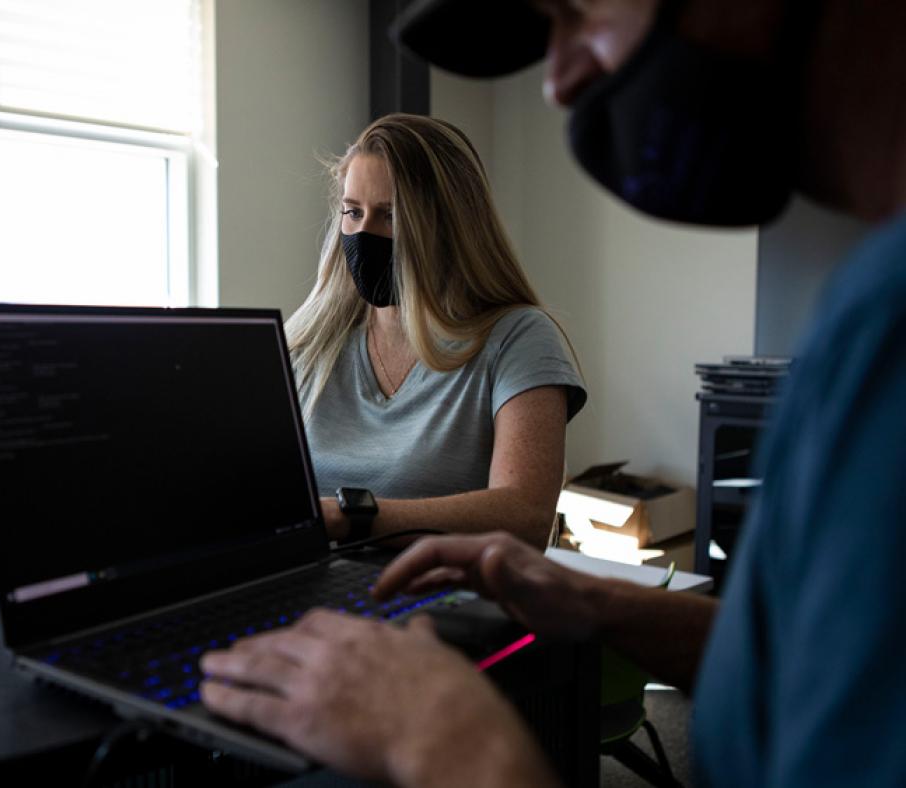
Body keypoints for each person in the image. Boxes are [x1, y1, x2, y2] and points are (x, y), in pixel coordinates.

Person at [198, 1, 906, 786]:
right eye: (353, 213)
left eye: (577, 12)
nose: (559, 84)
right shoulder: (865, 306)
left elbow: (524, 507)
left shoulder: (884, 325)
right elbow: (804, 662)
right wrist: (606, 606)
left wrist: (444, 737)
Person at [284, 113, 585, 547]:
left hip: (443, 598)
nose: (364, 232)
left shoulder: (518, 338)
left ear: (447, 225)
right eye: (353, 212)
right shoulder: (312, 342)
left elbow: (525, 515)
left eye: (389, 215)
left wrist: (353, 517)